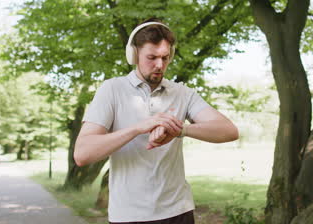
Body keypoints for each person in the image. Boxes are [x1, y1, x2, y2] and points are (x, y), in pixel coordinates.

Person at [74, 19, 239, 224]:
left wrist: (180, 130)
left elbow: (229, 130)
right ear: (133, 55)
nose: (160, 65)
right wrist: (137, 128)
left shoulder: (183, 93)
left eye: (165, 57)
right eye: (151, 57)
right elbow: (82, 154)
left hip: (178, 212)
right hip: (129, 216)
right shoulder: (111, 90)